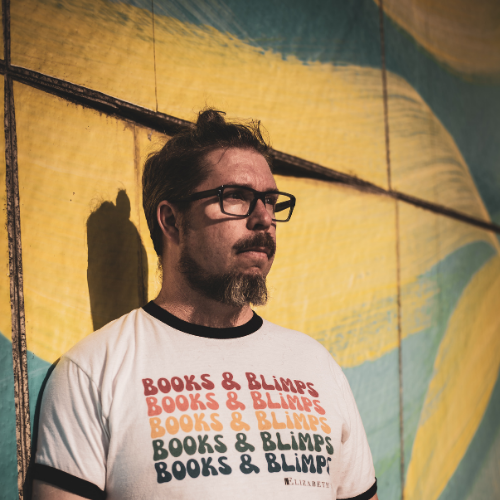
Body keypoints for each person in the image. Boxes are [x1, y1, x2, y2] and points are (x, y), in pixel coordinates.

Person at [33, 109, 378, 500]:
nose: (263, 218)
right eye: (236, 197)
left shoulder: (318, 368)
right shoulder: (95, 372)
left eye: (270, 201)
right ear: (171, 221)